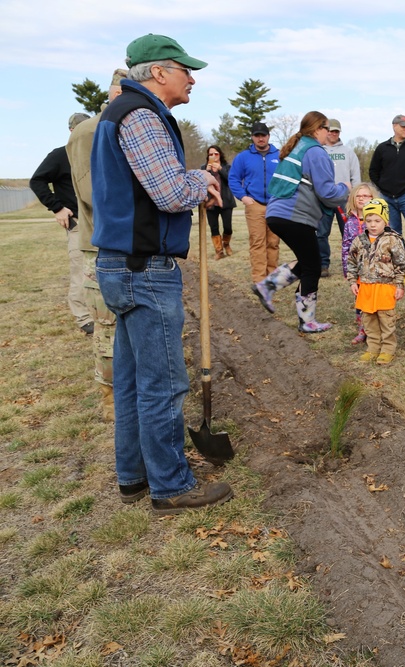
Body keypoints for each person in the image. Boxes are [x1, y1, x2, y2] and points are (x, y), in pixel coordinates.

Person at [91, 34, 231, 514]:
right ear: (157, 72)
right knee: (164, 383)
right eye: (185, 70)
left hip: (121, 265)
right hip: (144, 270)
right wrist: (203, 179)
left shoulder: (121, 114)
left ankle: (133, 476)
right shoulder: (142, 116)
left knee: (132, 381)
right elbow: (171, 193)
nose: (192, 78)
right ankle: (171, 486)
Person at [251, 112, 349, 333]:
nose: (328, 132)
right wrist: (345, 188)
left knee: (308, 261)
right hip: (294, 216)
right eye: (326, 128)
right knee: (313, 266)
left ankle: (266, 287)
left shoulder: (298, 147)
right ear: (317, 130)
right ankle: (307, 321)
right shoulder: (315, 151)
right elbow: (327, 192)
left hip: (278, 214)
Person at [66, 67, 127, 422]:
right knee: (108, 327)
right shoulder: (89, 132)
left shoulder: (131, 129)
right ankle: (110, 399)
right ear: (118, 94)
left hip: (133, 248)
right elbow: (93, 194)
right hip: (100, 246)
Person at [31, 112, 94, 335]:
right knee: (80, 270)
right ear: (71, 131)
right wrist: (57, 207)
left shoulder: (96, 153)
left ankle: (101, 312)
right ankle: (84, 317)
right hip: (78, 223)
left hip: (101, 222)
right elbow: (36, 180)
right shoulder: (60, 156)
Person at [347, 198, 405, 364]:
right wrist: (353, 281)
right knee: (369, 320)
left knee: (386, 319)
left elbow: (401, 265)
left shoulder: (393, 239)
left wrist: (400, 284)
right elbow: (351, 261)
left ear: (385, 220)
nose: (373, 224)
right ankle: (373, 347)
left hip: (385, 287)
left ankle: (388, 349)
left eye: (377, 220)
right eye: (369, 220)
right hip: (365, 287)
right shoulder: (359, 241)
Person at [229, 122, 281, 283]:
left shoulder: (280, 156)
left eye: (263, 135)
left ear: (268, 136)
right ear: (252, 137)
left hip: (276, 205)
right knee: (257, 242)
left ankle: (272, 278)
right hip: (254, 204)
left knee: (273, 242)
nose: (260, 138)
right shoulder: (243, 157)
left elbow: (288, 177)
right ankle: (259, 279)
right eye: (257, 135)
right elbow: (233, 178)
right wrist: (243, 197)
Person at [368, 114, 405, 240]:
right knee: (393, 231)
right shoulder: (382, 148)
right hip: (387, 198)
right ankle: (397, 259)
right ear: (394, 126)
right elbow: (373, 171)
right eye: (403, 127)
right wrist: (381, 187)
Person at [318, 118, 361, 277]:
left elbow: (355, 175)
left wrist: (355, 195)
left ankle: (353, 263)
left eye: (336, 131)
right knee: (322, 233)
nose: (333, 134)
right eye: (330, 130)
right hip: (324, 199)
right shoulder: (319, 151)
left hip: (345, 199)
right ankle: (323, 264)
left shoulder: (348, 152)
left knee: (349, 232)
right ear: (325, 131)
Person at [341, 183, 379, 345]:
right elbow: (345, 247)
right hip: (357, 270)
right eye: (359, 196)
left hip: (376, 270)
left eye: (366, 196)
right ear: (353, 199)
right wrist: (347, 271)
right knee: (360, 301)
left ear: (373, 199)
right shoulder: (349, 222)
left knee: (375, 300)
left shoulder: (378, 220)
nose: (362, 199)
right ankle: (362, 330)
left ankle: (377, 330)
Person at [201, 145, 236, 259]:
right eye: (211, 154)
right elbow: (200, 183)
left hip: (225, 201)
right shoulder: (203, 168)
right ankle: (219, 251)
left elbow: (231, 180)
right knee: (214, 227)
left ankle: (226, 244)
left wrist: (220, 170)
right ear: (208, 156)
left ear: (220, 155)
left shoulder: (227, 167)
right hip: (211, 203)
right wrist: (207, 171)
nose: (213, 156)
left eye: (216, 154)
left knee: (228, 227)